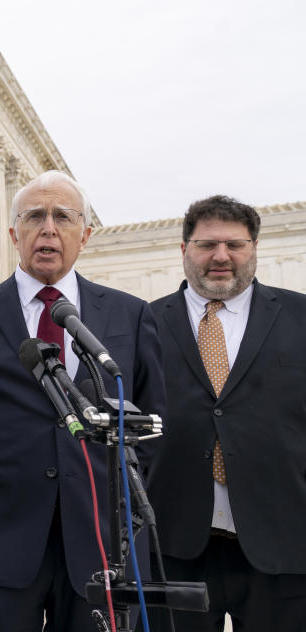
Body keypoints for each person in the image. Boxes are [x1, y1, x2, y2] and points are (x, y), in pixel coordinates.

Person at [0, 170, 165, 631]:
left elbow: (152, 425)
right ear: (14, 233)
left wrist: (119, 503)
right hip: (0, 538)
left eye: (63, 216)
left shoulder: (130, 314)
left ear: (86, 234)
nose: (48, 228)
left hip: (104, 541)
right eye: (35, 216)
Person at [145, 196, 306, 631]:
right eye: (206, 244)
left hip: (284, 549)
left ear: (254, 248)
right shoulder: (143, 324)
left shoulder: (301, 317)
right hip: (174, 550)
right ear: (183, 251)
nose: (221, 256)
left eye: (235, 245)